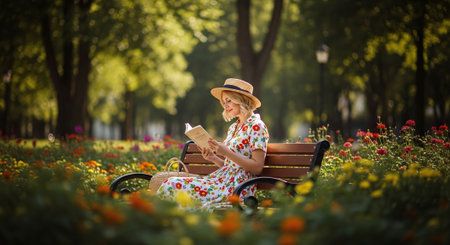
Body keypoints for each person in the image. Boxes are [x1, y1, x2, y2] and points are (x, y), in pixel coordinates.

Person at [157, 78, 269, 210]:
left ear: (241, 100)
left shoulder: (256, 126)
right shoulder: (234, 127)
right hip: (222, 181)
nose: (225, 105)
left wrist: (226, 152)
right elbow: (231, 166)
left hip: (238, 188)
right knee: (170, 183)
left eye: (229, 101)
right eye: (223, 102)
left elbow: (257, 167)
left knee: (172, 186)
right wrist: (213, 158)